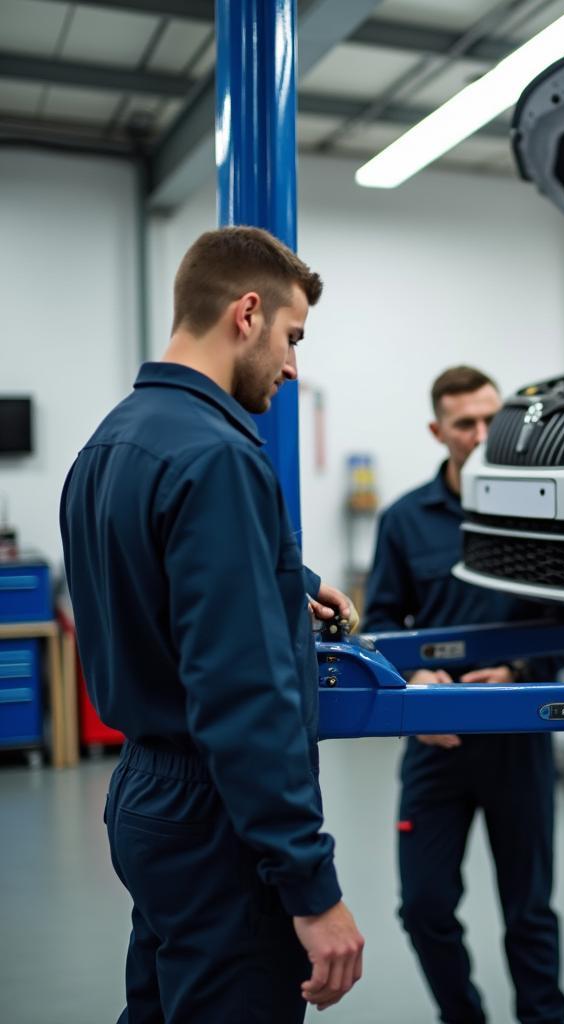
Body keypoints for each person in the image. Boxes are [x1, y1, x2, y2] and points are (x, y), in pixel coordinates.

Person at [60, 227, 364, 1023]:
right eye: (293, 339)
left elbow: (157, 573)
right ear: (248, 312)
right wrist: (311, 885)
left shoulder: (110, 442)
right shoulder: (219, 458)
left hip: (148, 799)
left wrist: (282, 580)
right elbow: (244, 696)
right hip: (215, 818)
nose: (294, 366)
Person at [363, 366, 564, 1024]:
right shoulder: (403, 520)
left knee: (529, 912)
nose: (480, 435)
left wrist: (515, 671)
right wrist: (416, 681)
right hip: (437, 740)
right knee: (422, 906)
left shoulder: (538, 512)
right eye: (464, 424)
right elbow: (382, 621)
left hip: (519, 736)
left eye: (490, 420)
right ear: (437, 431)